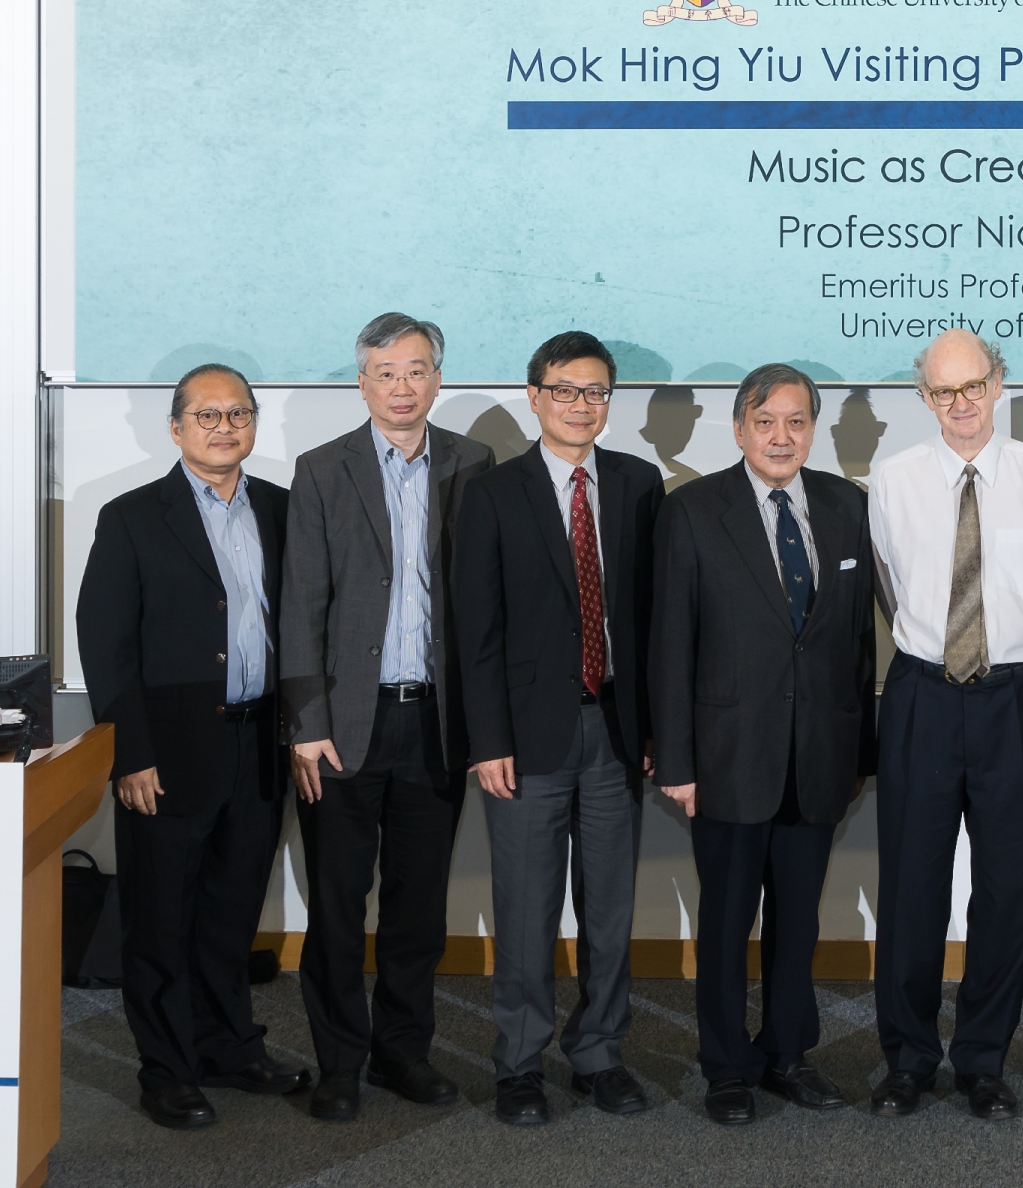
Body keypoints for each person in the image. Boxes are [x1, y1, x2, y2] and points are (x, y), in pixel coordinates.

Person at [75, 366, 313, 1128]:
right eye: (205, 415)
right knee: (160, 918)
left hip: (257, 743)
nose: (223, 427)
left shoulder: (281, 509)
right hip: (167, 754)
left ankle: (229, 1046)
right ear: (175, 429)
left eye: (237, 413)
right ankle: (167, 1068)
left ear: (254, 424)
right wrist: (130, 753)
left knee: (231, 910)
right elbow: (106, 645)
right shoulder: (133, 517)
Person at [650, 365, 879, 1126]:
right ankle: (726, 1066)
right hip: (726, 757)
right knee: (725, 921)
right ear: (741, 427)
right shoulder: (691, 512)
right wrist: (676, 761)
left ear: (812, 429)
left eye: (797, 422)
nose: (782, 437)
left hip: (818, 756)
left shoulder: (849, 506)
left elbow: (855, 644)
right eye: (766, 422)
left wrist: (859, 753)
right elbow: (669, 645)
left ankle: (787, 1052)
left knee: (798, 919)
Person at [281, 313, 495, 1122]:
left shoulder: (474, 464)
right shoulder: (321, 469)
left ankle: (405, 1052)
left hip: (434, 723)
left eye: (416, 372)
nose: (402, 387)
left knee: (418, 906)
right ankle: (340, 1062)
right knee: (337, 902)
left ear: (437, 381)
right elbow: (300, 604)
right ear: (361, 382)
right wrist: (305, 721)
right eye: (386, 372)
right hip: (341, 726)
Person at [451, 332, 663, 1126]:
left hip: (614, 730)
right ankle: (518, 1066)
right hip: (526, 740)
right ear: (534, 397)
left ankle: (600, 1052)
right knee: (527, 911)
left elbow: (650, 623)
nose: (582, 406)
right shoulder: (492, 492)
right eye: (566, 391)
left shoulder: (642, 484)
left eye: (597, 393)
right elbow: (476, 629)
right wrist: (488, 739)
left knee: (609, 911)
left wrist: (654, 729)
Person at [865, 329, 1023, 1120]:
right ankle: (907, 1060)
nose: (961, 404)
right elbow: (888, 585)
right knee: (911, 886)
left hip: (1015, 696)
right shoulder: (893, 478)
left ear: (999, 381)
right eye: (944, 391)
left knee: (1007, 892)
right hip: (922, 696)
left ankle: (984, 1059)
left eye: (973, 385)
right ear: (924, 398)